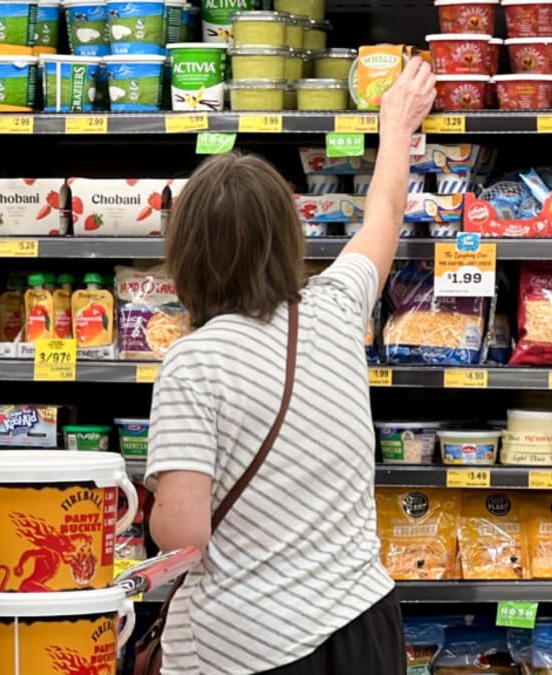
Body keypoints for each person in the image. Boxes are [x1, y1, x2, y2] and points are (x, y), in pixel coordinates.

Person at [144, 57, 437, 675]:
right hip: (363, 622)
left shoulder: (194, 361)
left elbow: (182, 534)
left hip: (254, 643)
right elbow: (384, 213)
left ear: (185, 252)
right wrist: (396, 125)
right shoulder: (336, 306)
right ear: (288, 237)